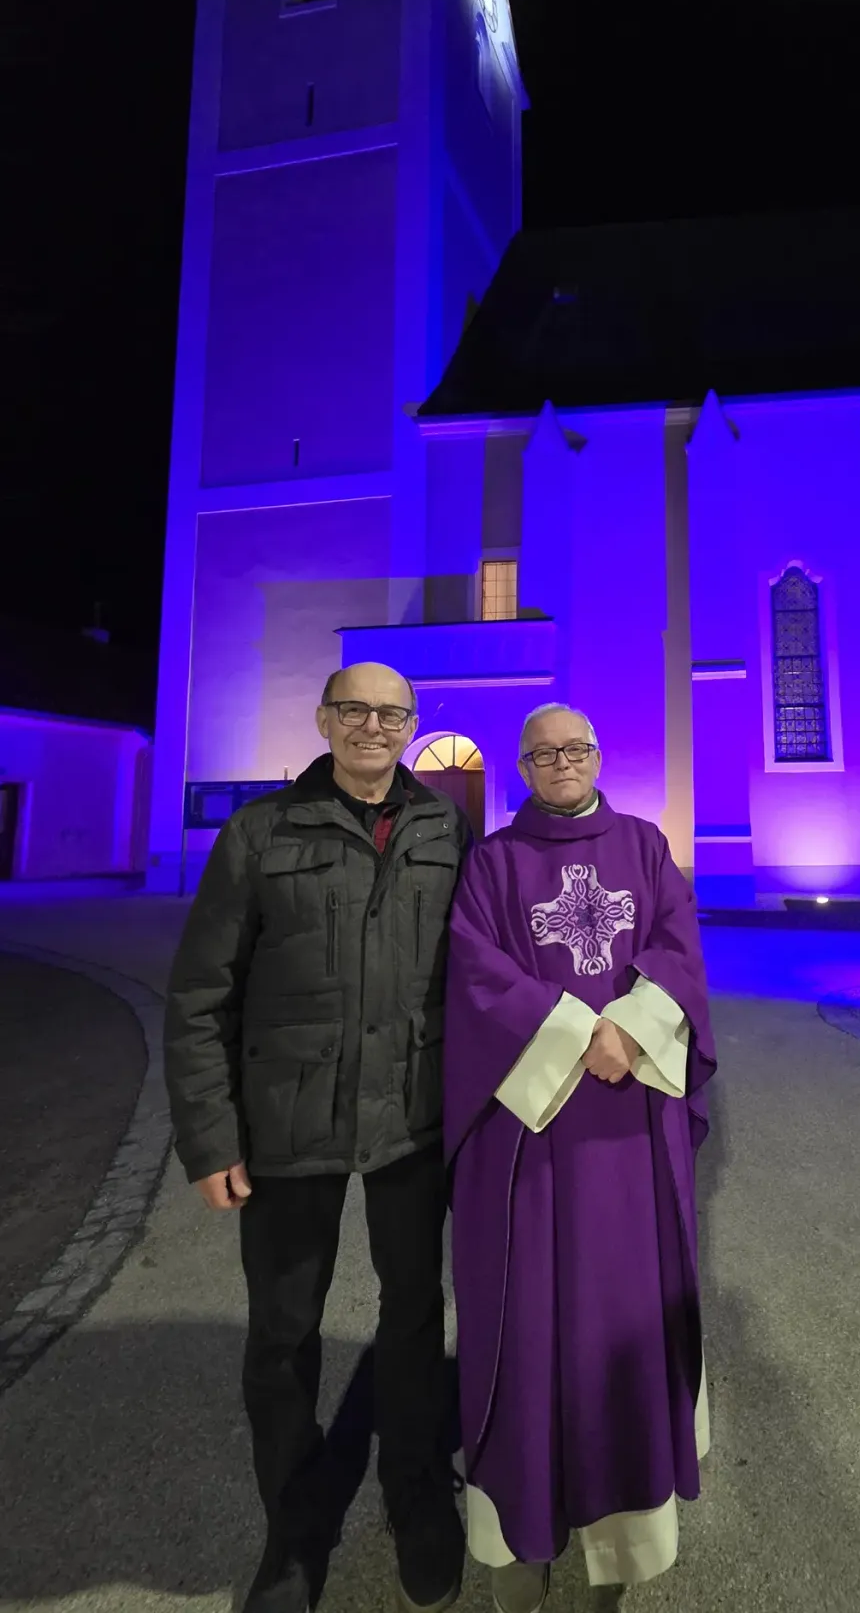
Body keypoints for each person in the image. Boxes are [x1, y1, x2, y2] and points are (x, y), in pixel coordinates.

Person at [164, 663, 469, 1613]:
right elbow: (201, 994)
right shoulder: (261, 832)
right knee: (282, 1334)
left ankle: (416, 1495)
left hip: (410, 1119)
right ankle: (293, 1534)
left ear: (411, 725)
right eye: (354, 710)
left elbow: (487, 968)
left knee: (413, 1319)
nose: (373, 726)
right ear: (325, 720)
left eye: (392, 714)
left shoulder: (445, 829)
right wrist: (210, 1137)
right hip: (289, 1123)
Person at [444, 704, 717, 1613]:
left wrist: (631, 1030)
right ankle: (524, 1531)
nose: (562, 762)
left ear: (598, 757)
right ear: (523, 767)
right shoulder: (491, 862)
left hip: (630, 1125)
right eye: (544, 753)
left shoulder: (644, 846)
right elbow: (475, 973)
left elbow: (679, 946)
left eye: (578, 749)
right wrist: (574, 1033)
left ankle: (622, 1542)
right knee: (528, 1315)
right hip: (532, 1135)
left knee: (624, 1310)